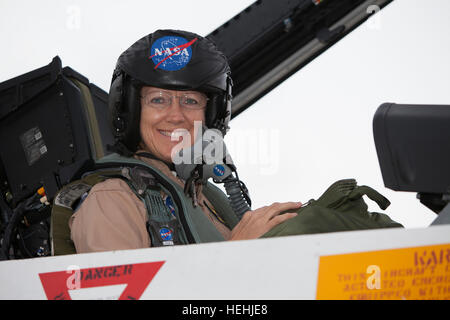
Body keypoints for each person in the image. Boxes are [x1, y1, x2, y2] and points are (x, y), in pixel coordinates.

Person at [69, 29, 301, 253]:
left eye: (190, 101)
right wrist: (237, 250)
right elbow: (119, 293)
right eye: (158, 100)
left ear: (212, 115)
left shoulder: (209, 201)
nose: (176, 115)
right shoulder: (113, 200)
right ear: (131, 110)